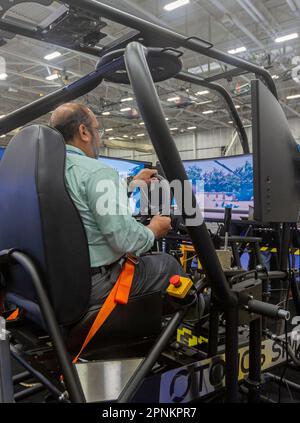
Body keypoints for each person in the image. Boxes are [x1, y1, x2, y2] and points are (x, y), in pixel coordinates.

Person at [50, 102, 186, 310]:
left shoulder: (46, 169)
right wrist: (154, 230)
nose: (100, 138)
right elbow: (126, 240)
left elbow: (83, 201)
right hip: (94, 285)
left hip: (53, 283)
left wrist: (131, 184)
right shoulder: (97, 171)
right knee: (167, 264)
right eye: (97, 129)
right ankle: (197, 325)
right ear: (84, 132)